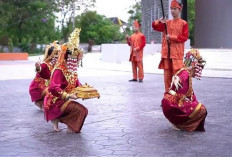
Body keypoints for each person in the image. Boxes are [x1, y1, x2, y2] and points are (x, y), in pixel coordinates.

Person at [44, 28, 88, 133]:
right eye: (74, 59)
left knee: (83, 110)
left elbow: (77, 85)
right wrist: (68, 96)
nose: (76, 61)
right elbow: (53, 88)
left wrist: (86, 91)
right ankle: (67, 124)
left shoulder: (72, 71)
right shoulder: (59, 70)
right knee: (81, 110)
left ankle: (65, 123)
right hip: (54, 102)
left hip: (63, 101)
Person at [161, 49, 207, 132]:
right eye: (198, 67)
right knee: (202, 109)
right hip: (172, 106)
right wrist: (177, 78)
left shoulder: (187, 74)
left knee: (196, 106)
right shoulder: (185, 72)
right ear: (193, 65)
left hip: (169, 105)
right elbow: (181, 77)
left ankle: (178, 123)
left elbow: (192, 98)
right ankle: (181, 124)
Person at [152, 0, 188, 92]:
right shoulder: (166, 23)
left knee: (177, 77)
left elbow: (184, 37)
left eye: (175, 9)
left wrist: (172, 37)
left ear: (179, 10)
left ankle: (177, 97)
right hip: (166, 54)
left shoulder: (183, 23)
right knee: (167, 77)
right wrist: (159, 21)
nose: (172, 11)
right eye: (171, 9)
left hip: (177, 54)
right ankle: (168, 97)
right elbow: (155, 27)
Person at [29, 42, 59, 111]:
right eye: (56, 55)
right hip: (38, 87)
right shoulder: (45, 64)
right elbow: (39, 70)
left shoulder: (55, 65)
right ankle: (40, 103)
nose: (58, 57)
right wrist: (37, 67)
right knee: (52, 91)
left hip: (49, 85)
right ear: (52, 55)